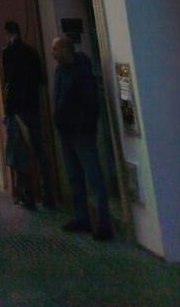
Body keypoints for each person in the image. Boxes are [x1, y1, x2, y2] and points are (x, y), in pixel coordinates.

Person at [51, 36, 114, 240]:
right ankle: (82, 218)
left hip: (81, 132)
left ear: (65, 49)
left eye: (55, 49)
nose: (52, 53)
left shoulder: (82, 71)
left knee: (93, 175)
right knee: (74, 176)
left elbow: (90, 102)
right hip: (66, 131)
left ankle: (103, 222)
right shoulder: (60, 71)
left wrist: (85, 126)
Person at [1, 20, 50, 210]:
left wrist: (8, 110)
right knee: (40, 151)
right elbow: (41, 79)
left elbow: (9, 83)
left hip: (17, 110)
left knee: (20, 154)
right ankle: (47, 194)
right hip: (33, 106)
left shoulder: (8, 53)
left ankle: (27, 196)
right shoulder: (32, 52)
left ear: (7, 32)